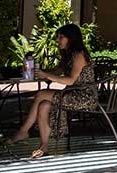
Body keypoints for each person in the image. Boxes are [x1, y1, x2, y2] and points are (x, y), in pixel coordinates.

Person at [9, 24, 97, 158]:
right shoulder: (69, 55)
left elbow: (70, 80)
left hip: (84, 96)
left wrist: (47, 75)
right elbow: (57, 71)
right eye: (58, 37)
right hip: (72, 94)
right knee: (44, 105)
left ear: (71, 38)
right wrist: (39, 73)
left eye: (61, 37)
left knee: (42, 94)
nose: (58, 40)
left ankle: (23, 131)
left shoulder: (79, 55)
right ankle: (43, 147)